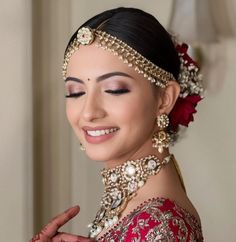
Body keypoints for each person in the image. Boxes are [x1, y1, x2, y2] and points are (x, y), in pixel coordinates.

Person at [30, 7, 204, 242]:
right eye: (75, 92)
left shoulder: (160, 226)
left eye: (114, 89)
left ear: (165, 98)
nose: (89, 112)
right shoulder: (138, 201)